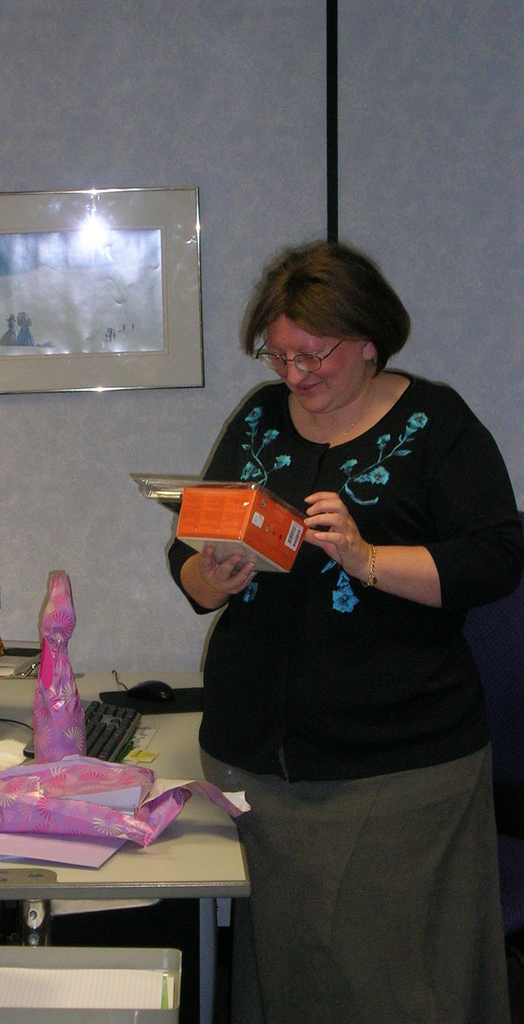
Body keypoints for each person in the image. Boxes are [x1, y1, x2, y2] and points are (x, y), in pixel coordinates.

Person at [167, 239, 524, 1024]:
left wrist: (367, 559)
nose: (294, 374)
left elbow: (497, 560)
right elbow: (186, 560)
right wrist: (215, 574)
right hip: (256, 766)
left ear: (368, 340)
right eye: (279, 355)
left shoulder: (436, 424)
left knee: (393, 990)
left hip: (394, 770)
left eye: (313, 354)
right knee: (289, 980)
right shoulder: (261, 418)